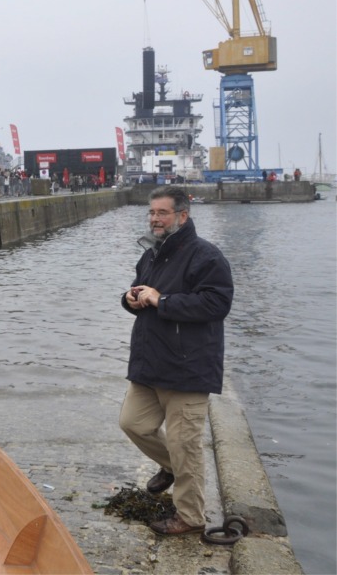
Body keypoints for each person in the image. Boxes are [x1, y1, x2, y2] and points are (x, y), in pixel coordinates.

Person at [120, 185, 234, 536]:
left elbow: (217, 305)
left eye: (162, 213)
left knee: (186, 445)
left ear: (182, 216)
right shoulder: (152, 254)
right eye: (152, 213)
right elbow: (141, 291)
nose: (154, 218)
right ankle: (170, 466)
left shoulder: (207, 256)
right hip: (150, 364)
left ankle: (190, 517)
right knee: (132, 423)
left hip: (187, 369)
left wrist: (162, 300)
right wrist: (131, 297)